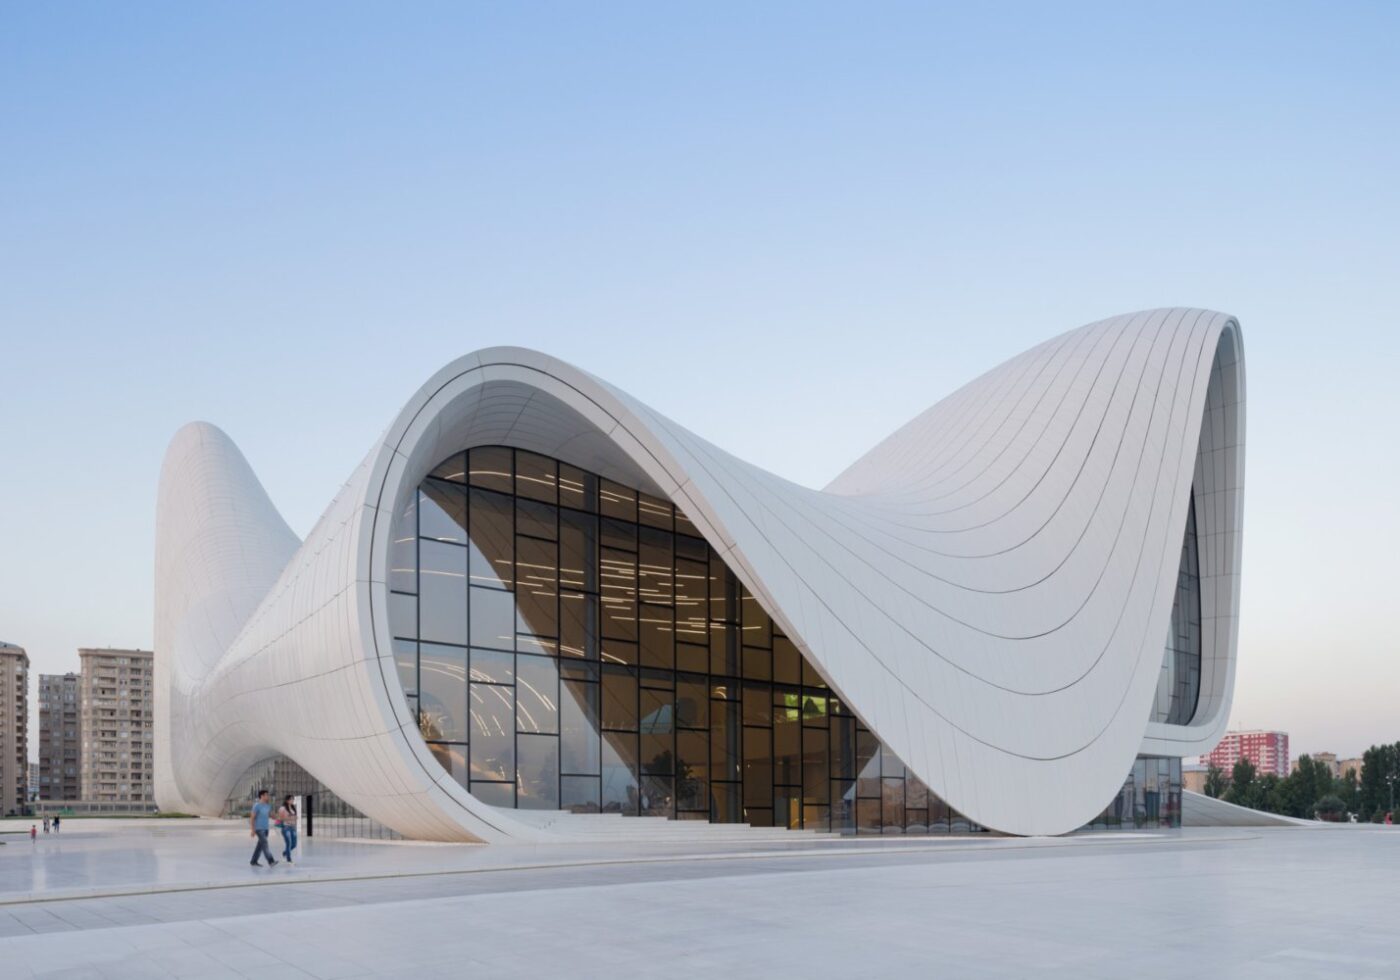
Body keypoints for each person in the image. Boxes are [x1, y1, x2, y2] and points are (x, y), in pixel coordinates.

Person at [249, 789, 278, 867]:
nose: (268, 796)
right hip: (259, 829)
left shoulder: (268, 806)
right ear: (262, 796)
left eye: (268, 795)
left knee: (260, 846)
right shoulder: (257, 805)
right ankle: (271, 861)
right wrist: (253, 830)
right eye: (266, 795)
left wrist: (276, 816)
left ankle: (253, 861)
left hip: (266, 829)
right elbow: (252, 818)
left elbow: (271, 816)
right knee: (265, 844)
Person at [275, 795, 298, 864]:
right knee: (288, 843)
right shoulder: (282, 808)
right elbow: (280, 818)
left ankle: (285, 853)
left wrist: (295, 818)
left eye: (293, 799)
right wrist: (291, 818)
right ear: (287, 800)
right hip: (286, 827)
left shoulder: (293, 807)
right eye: (291, 799)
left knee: (294, 844)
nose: (292, 800)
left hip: (293, 827)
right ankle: (289, 860)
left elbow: (294, 816)